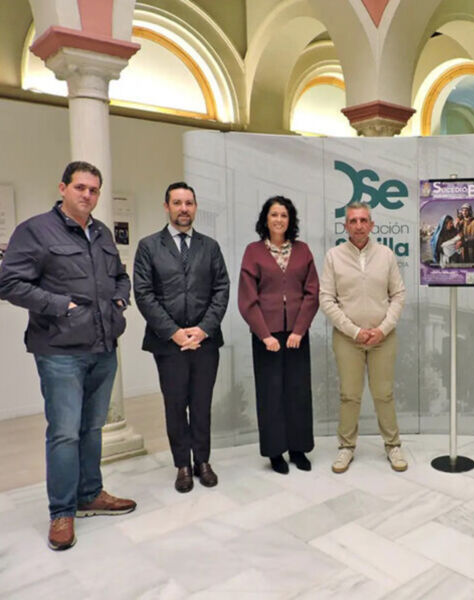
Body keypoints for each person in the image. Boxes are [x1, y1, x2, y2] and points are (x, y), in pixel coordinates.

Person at [0, 161, 136, 550]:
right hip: (60, 351)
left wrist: (120, 299)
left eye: (94, 190)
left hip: (102, 347)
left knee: (92, 429)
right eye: (81, 188)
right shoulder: (36, 231)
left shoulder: (102, 233)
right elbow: (8, 282)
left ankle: (90, 493)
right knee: (63, 433)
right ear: (63, 188)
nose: (88, 195)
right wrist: (61, 305)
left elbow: (119, 275)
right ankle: (62, 511)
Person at [133, 182, 229, 493]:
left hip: (205, 341)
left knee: (201, 404)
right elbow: (144, 294)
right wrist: (174, 333)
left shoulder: (210, 247)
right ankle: (182, 466)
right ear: (166, 207)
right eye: (177, 203)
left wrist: (203, 329)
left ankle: (203, 461)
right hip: (168, 343)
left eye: (189, 203)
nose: (183, 209)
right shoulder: (149, 246)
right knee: (175, 405)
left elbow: (221, 290)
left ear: (195, 207)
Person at [319, 201, 407, 473]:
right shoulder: (334, 256)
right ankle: (346, 448)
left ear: (371, 225)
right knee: (349, 395)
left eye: (363, 220)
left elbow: (399, 295)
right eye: (353, 221)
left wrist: (382, 328)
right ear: (345, 225)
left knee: (384, 394)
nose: (358, 225)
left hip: (384, 337)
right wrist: (355, 331)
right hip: (348, 339)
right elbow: (326, 299)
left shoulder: (386, 255)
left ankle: (393, 446)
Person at [238, 196, 319, 474]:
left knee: (297, 392)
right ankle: (275, 452)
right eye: (274, 215)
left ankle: (298, 449)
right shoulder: (253, 252)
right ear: (266, 219)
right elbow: (247, 298)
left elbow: (312, 292)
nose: (279, 220)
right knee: (270, 393)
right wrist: (264, 334)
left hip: (297, 334)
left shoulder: (303, 250)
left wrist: (299, 330)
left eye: (284, 215)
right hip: (266, 337)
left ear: (290, 220)